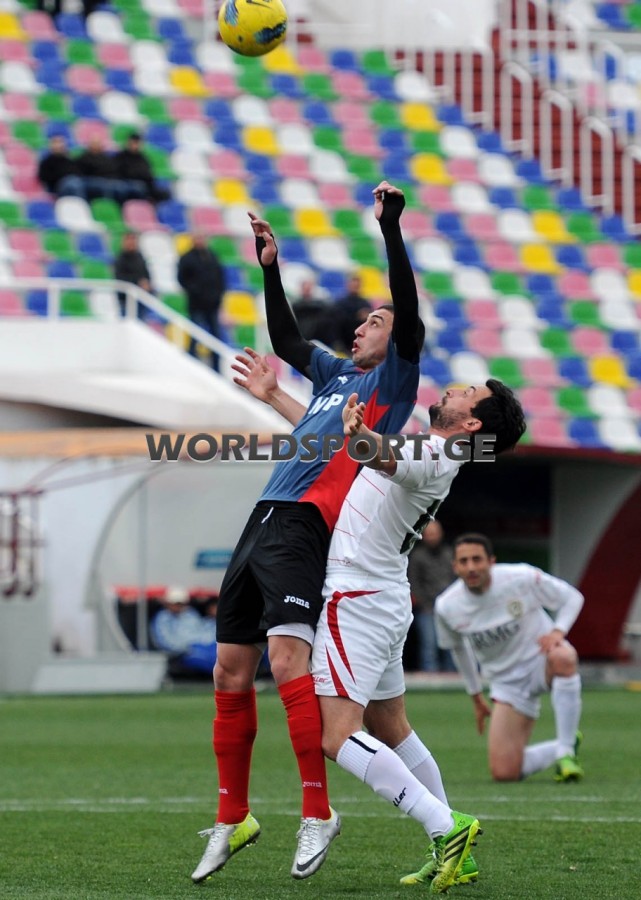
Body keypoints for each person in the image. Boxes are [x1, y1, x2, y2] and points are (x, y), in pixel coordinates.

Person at [191, 181, 424, 885]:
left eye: (374, 321)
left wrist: (389, 230)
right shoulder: (333, 376)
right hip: (265, 514)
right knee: (228, 670)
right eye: (364, 320)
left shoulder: (393, 382)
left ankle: (317, 811)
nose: (362, 327)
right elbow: (289, 340)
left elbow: (407, 309)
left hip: (307, 525)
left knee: (288, 663)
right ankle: (233, 815)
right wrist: (271, 269)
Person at [239, 359, 527, 890]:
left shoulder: (435, 453)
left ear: (471, 423)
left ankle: (445, 826)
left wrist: (364, 436)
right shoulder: (438, 453)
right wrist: (277, 397)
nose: (455, 389)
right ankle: (452, 846)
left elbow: (384, 456)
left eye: (468, 391)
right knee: (390, 727)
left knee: (336, 736)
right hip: (385, 597)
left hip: (357, 599)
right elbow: (351, 448)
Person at [435, 533, 585, 784]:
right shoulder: (447, 606)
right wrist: (475, 695)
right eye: (463, 561)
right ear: (455, 567)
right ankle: (565, 742)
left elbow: (572, 597)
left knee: (564, 656)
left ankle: (566, 754)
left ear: (491, 561)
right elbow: (458, 649)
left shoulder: (521, 577)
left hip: (540, 662)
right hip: (506, 683)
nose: (471, 567)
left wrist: (558, 632)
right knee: (504, 773)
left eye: (477, 559)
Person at [407, 521, 456, 672]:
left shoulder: (449, 553)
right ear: (423, 535)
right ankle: (429, 679)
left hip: (450, 609)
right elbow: (413, 583)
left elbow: (456, 580)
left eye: (434, 533)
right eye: (429, 534)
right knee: (429, 646)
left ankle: (453, 679)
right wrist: (424, 604)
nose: (432, 537)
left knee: (452, 646)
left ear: (441, 534)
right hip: (427, 609)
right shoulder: (417, 556)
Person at [177, 235, 227, 370]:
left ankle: (216, 369)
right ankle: (191, 366)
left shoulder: (212, 256)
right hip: (196, 304)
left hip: (212, 304)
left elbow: (220, 278)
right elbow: (182, 279)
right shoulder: (187, 258)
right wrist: (196, 291)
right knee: (195, 335)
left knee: (215, 337)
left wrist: (218, 296)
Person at [113, 132, 170, 203]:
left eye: (137, 143)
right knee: (138, 188)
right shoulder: (121, 157)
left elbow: (148, 173)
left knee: (165, 192)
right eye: (133, 143)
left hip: (146, 184)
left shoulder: (143, 158)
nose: (135, 145)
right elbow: (121, 173)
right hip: (129, 184)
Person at [113, 232, 152, 317]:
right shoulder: (120, 259)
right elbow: (120, 279)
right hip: (126, 300)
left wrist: (147, 283)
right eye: (129, 239)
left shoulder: (140, 257)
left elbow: (146, 274)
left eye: (133, 239)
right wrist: (138, 282)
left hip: (141, 299)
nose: (131, 242)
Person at [37, 134, 86, 200]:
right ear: (51, 146)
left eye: (60, 142)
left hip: (77, 180)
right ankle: (81, 204)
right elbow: (43, 177)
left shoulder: (69, 159)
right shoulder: (46, 162)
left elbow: (78, 172)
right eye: (56, 142)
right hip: (59, 185)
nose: (59, 145)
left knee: (98, 184)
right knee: (74, 184)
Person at [333, 273, 371, 354]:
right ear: (348, 285)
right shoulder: (340, 303)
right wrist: (357, 317)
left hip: (361, 342)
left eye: (357, 285)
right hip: (344, 342)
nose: (355, 287)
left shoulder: (365, 303)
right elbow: (338, 323)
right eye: (353, 285)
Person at [291, 278, 334, 345]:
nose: (307, 290)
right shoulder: (297, 304)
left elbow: (327, 307)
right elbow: (299, 307)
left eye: (309, 288)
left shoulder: (320, 304)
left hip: (317, 335)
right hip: (303, 333)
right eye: (305, 288)